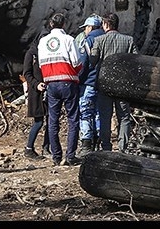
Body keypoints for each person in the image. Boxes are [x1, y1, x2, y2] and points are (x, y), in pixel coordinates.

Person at [37, 12, 82, 166]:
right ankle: (70, 156)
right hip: (68, 82)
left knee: (53, 120)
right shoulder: (69, 40)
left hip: (50, 83)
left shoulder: (43, 42)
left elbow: (41, 64)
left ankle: (56, 156)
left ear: (51, 25)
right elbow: (77, 62)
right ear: (64, 24)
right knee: (73, 119)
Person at [91, 12, 138, 152]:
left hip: (104, 84)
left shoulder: (99, 40)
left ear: (106, 24)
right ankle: (123, 147)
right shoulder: (128, 40)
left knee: (105, 117)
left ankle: (106, 147)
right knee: (124, 117)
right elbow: (137, 61)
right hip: (123, 85)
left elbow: (93, 61)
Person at [77, 15, 104, 156]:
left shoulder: (88, 40)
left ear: (89, 27)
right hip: (104, 85)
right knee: (99, 113)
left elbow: (83, 64)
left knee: (86, 113)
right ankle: (99, 142)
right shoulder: (106, 38)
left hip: (89, 83)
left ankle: (86, 145)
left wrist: (78, 80)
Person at [21, 27, 51, 159]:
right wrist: (36, 84)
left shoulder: (49, 52)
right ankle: (29, 148)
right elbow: (26, 73)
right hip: (36, 92)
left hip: (48, 90)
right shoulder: (31, 53)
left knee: (51, 120)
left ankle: (46, 147)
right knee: (38, 121)